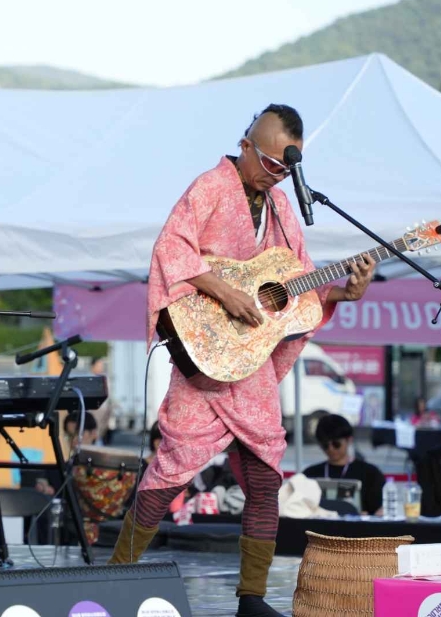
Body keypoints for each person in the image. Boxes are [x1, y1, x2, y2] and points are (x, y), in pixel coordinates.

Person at [107, 104, 375, 617]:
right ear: (248, 144)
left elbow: (296, 291)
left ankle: (251, 599)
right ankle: (118, 577)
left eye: (284, 169)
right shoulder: (210, 186)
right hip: (206, 357)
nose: (274, 174)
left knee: (264, 478)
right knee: (170, 471)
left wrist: (343, 292)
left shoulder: (282, 209)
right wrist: (222, 290)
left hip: (249, 362)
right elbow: (171, 250)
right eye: (269, 162)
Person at [302, 415, 385, 515]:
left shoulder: (371, 474)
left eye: (336, 444)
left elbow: (378, 512)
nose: (331, 449)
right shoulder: (309, 474)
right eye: (325, 445)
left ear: (349, 440)